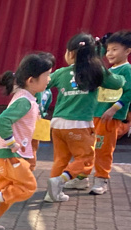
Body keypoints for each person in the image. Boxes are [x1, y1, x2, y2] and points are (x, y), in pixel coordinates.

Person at [0, 53, 54, 230]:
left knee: (7, 192)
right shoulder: (24, 100)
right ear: (31, 80)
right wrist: (11, 142)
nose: (49, 79)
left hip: (4, 153)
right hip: (8, 153)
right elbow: (2, 121)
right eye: (47, 75)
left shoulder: (27, 98)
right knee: (27, 186)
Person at [45, 33, 125, 202]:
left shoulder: (61, 73)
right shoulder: (96, 72)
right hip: (80, 125)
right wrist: (99, 64)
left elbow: (44, 84)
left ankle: (51, 194)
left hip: (57, 124)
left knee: (60, 159)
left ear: (70, 53)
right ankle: (61, 180)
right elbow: (118, 83)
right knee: (86, 158)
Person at [91, 30, 131, 196]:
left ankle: (101, 179)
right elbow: (95, 60)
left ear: (127, 51)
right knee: (88, 147)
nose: (110, 54)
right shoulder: (109, 69)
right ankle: (81, 176)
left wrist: (114, 108)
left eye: (115, 49)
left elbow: (129, 92)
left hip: (110, 118)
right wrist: (99, 47)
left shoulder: (126, 70)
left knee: (103, 149)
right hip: (95, 114)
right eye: (108, 50)